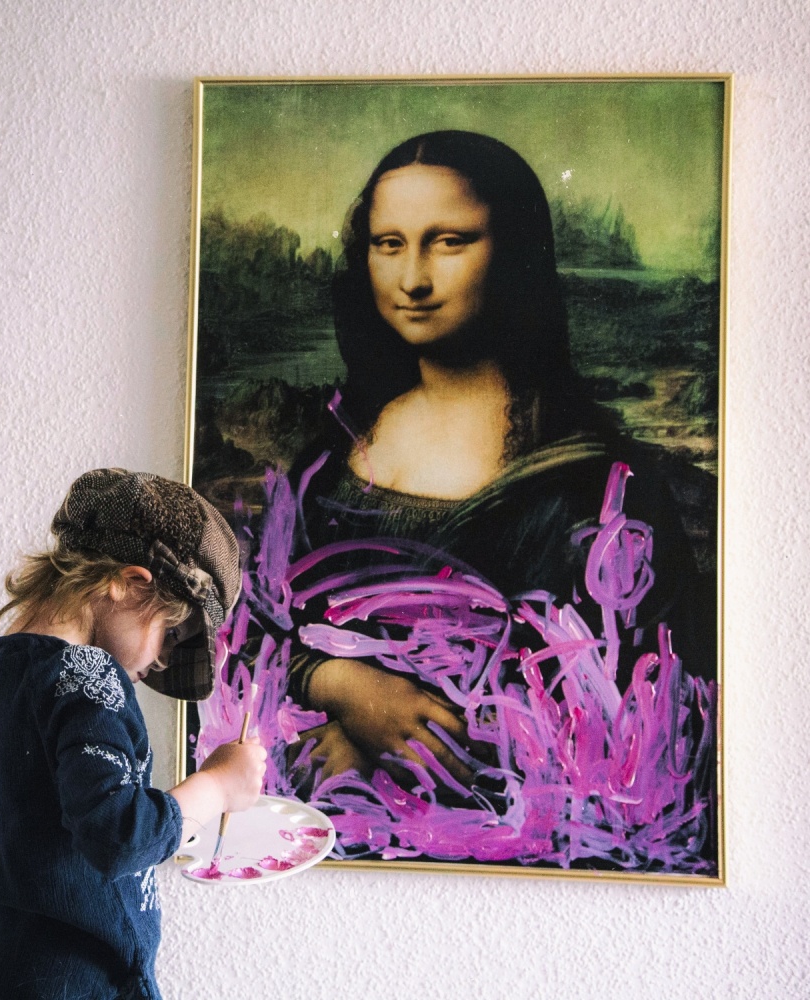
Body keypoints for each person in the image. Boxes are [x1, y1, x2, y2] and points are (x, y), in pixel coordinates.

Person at [279, 130, 716, 806]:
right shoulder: (331, 458)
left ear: (512, 253)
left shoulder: (601, 490)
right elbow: (258, 630)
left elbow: (646, 716)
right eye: (389, 243)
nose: (413, 278)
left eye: (450, 241)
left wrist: (388, 751)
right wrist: (342, 686)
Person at [0, 468, 267, 1000]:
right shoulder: (88, 675)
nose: (162, 661)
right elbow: (120, 836)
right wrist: (217, 786)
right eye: (171, 633)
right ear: (128, 583)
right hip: (73, 982)